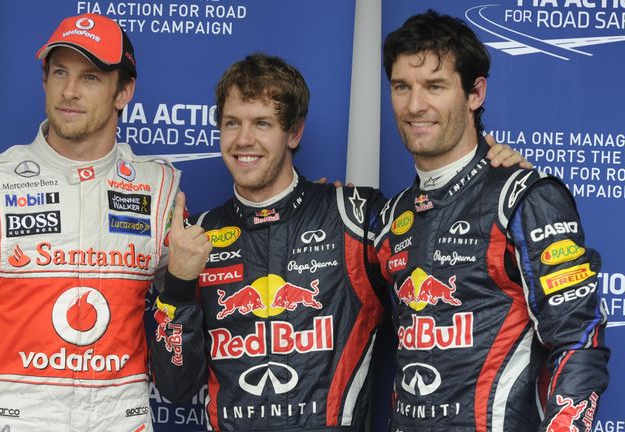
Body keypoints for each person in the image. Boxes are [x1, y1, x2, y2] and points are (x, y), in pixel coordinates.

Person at [148, 53, 526, 431]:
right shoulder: (197, 237)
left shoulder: (356, 218)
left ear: (294, 132)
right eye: (232, 123)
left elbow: (448, 273)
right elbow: (176, 386)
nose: (244, 140)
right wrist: (178, 287)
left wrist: (489, 176)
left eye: (262, 123)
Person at [0, 13, 179, 432]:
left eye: (90, 77)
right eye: (59, 73)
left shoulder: (158, 189)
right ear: (44, 80)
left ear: (123, 91)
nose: (69, 92)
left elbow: (183, 311)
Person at [373, 10, 609, 431]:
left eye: (435, 86)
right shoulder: (395, 215)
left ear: (475, 93)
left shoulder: (523, 197)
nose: (414, 105)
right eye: (401, 86)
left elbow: (577, 340)